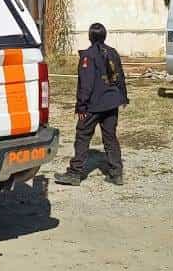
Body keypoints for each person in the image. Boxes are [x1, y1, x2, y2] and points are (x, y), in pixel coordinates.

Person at [54, 22, 129, 187]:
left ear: (90, 36)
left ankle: (74, 173)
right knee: (110, 137)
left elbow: (85, 85)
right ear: (104, 36)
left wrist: (81, 106)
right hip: (111, 102)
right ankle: (116, 173)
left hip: (94, 104)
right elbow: (120, 76)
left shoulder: (88, 56)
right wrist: (123, 97)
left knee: (82, 136)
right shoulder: (113, 52)